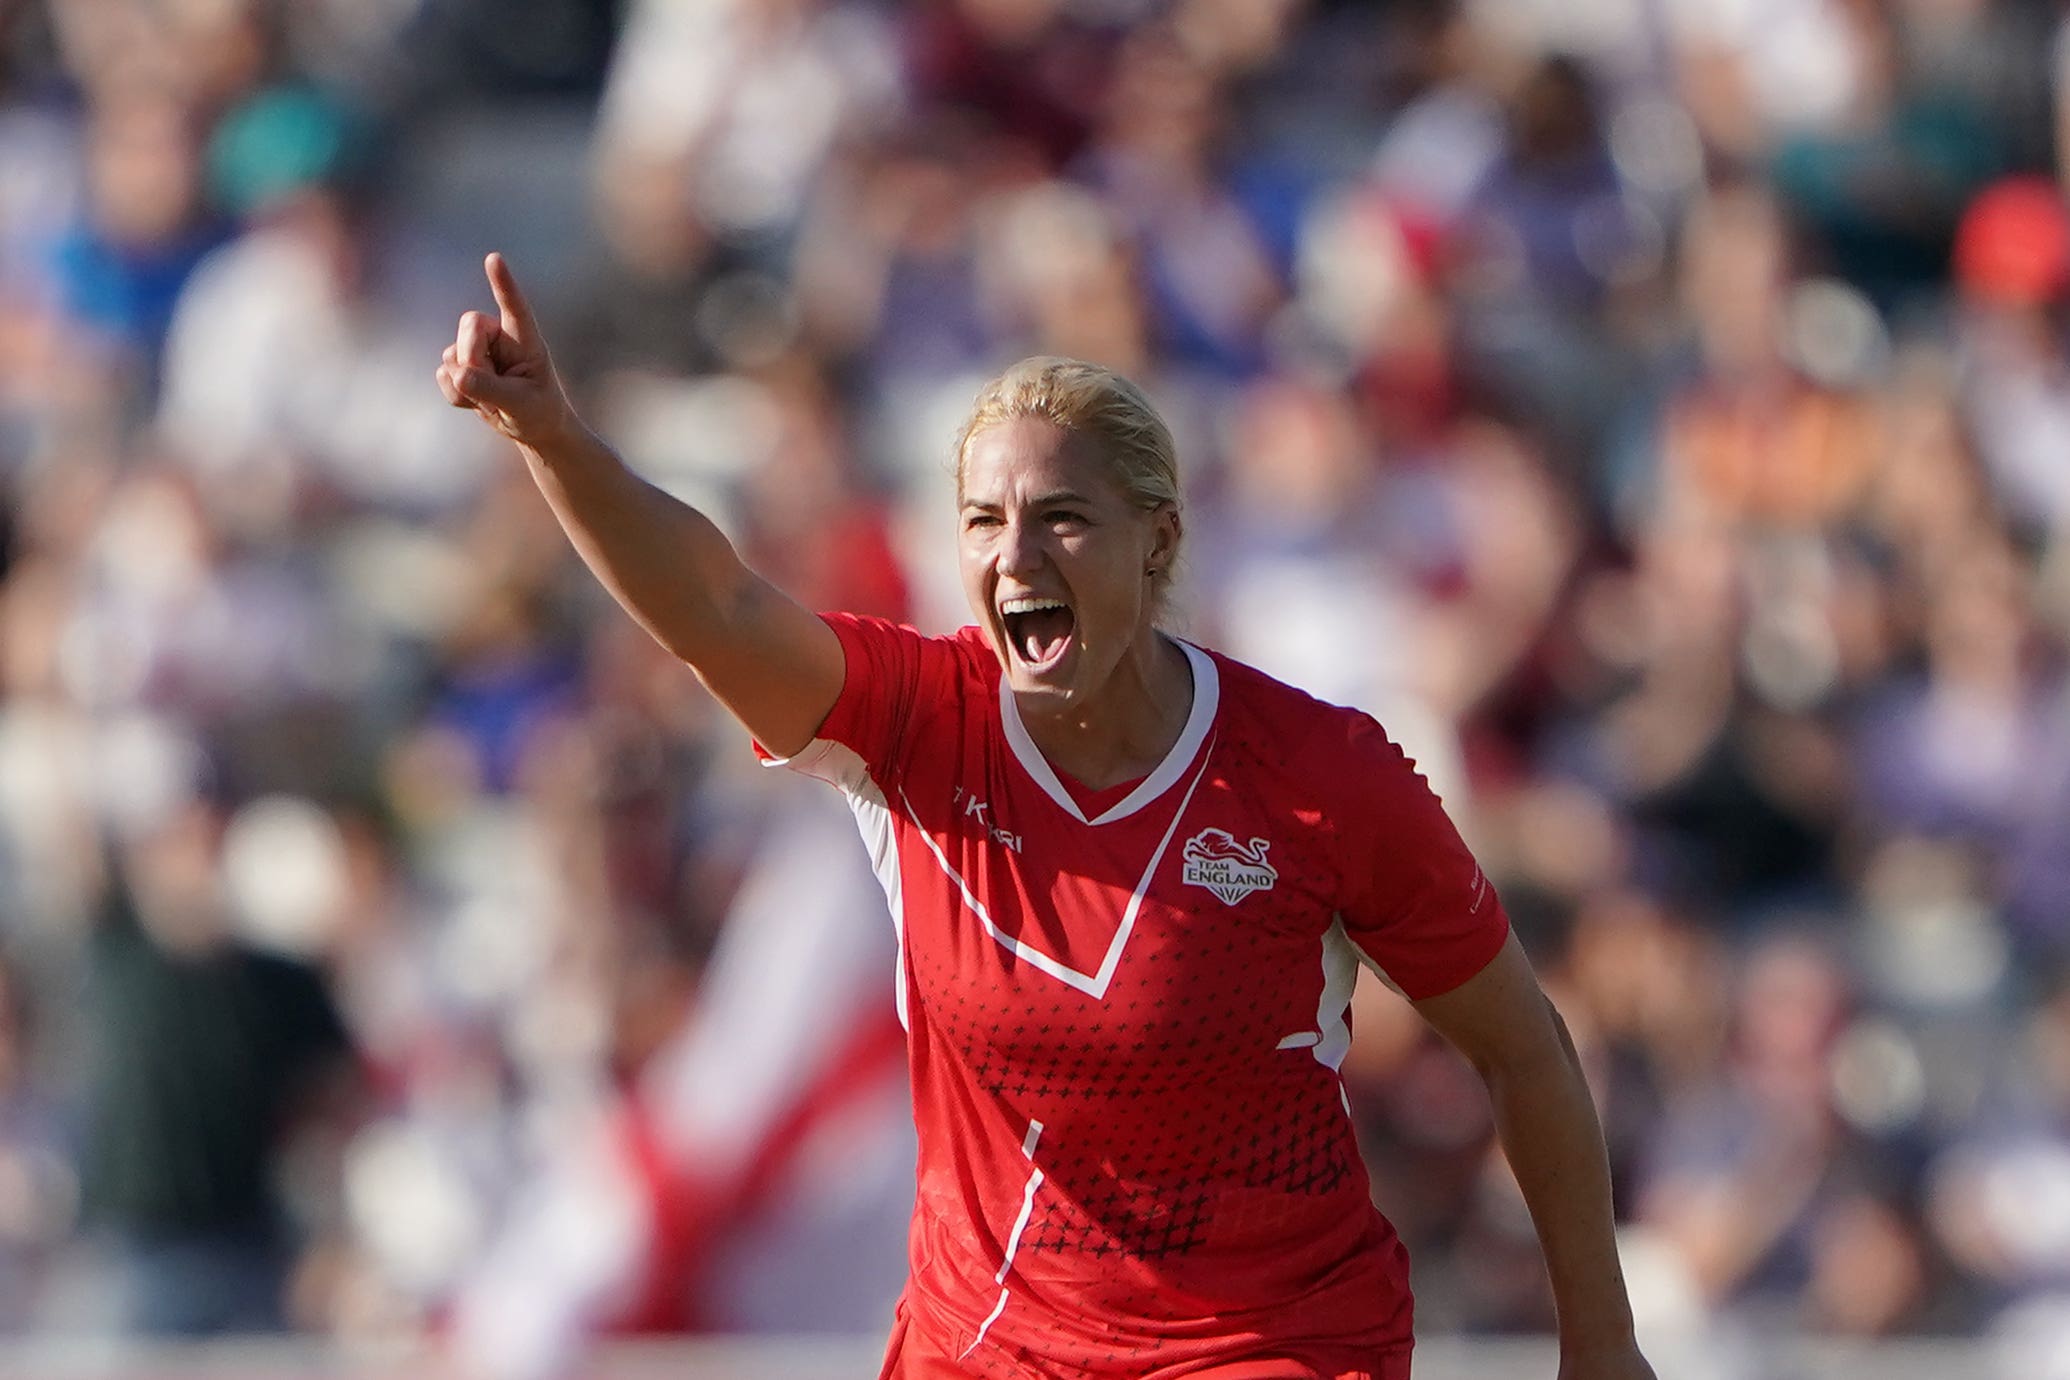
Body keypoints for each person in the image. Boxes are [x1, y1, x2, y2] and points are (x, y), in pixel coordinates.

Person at [436, 253, 1656, 1380]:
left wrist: (1602, 1349)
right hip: (987, 1353)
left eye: (1063, 517)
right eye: (983, 522)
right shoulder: (916, 725)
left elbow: (1520, 1048)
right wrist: (552, 439)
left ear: (1158, 540)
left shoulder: (1320, 771)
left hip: (1269, 1343)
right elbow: (715, 605)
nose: (1016, 555)